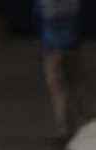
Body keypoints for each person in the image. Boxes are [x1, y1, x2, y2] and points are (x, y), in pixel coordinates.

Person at [36, 0, 85, 142]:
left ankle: (65, 128)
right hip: (72, 45)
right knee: (76, 85)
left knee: (58, 89)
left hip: (52, 46)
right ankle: (81, 121)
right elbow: (78, 18)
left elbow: (38, 18)